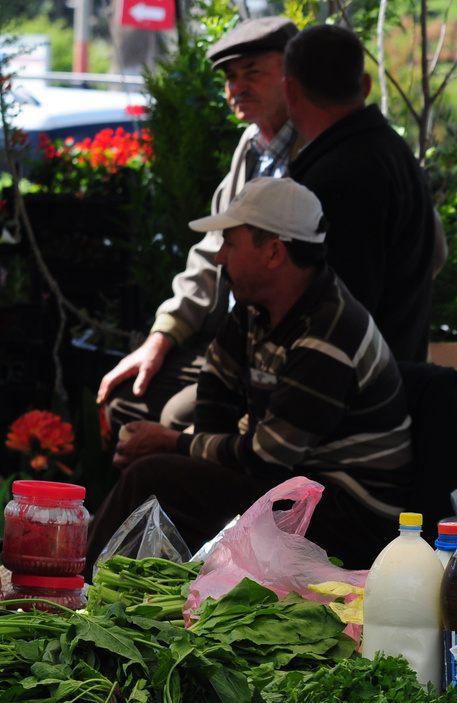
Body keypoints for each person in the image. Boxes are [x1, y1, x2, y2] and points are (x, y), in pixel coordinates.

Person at [85, 178, 413, 572]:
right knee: (166, 473)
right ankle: (115, 584)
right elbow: (215, 389)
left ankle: (71, 585)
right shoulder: (256, 305)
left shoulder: (330, 332)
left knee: (152, 475)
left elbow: (266, 458)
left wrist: (176, 445)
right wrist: (192, 459)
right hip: (295, 483)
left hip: (348, 514)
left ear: (273, 252)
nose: (220, 257)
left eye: (230, 243)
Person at [98, 16, 300, 431]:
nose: (236, 88)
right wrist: (162, 337)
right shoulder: (251, 146)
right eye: (230, 77)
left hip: (283, 359)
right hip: (230, 345)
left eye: (253, 73)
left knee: (177, 422)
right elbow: (211, 253)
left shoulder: (318, 150)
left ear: (292, 76)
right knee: (123, 402)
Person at [283, 24, 441, 366]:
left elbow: (335, 320)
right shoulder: (393, 153)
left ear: (290, 91)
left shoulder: (337, 178)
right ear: (366, 85)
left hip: (346, 399)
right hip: (392, 381)